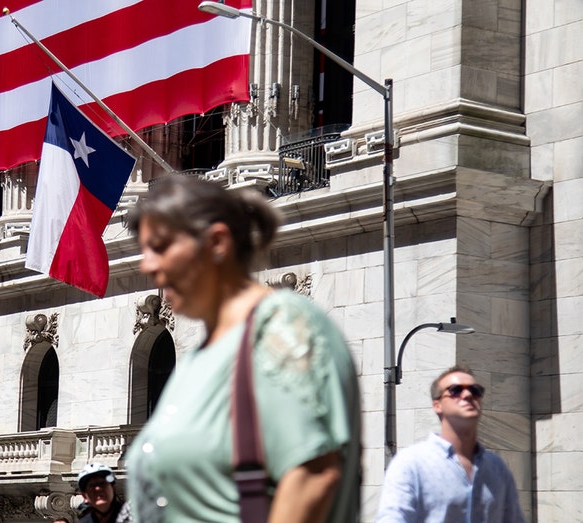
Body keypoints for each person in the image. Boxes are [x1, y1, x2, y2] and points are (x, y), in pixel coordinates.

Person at [124, 175, 360, 523]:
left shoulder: (281, 325)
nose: (147, 265)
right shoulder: (198, 359)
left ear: (217, 241)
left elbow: (312, 476)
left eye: (159, 246)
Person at [377, 366, 526, 522]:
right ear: (437, 405)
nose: (468, 395)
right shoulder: (411, 463)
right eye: (456, 390)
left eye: (475, 390)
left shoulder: (497, 467)